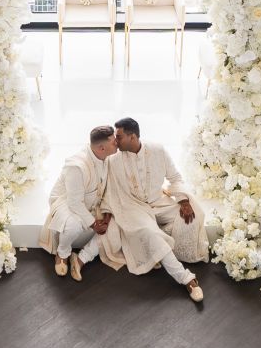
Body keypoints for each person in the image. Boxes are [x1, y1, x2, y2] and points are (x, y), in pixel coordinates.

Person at [75, 116, 205, 302]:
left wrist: (184, 201)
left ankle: (155, 251)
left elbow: (175, 177)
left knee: (192, 217)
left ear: (133, 137)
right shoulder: (113, 160)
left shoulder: (158, 150)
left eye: (119, 137)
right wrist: (108, 214)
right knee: (150, 233)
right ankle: (187, 279)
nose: (115, 141)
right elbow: (109, 190)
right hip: (133, 206)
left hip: (158, 201)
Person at [37, 125, 116, 279]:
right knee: (74, 225)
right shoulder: (77, 166)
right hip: (66, 201)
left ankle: (81, 258)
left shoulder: (106, 156)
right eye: (113, 142)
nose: (116, 143)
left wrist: (107, 214)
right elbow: (74, 203)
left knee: (115, 223)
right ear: (101, 148)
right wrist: (94, 224)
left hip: (93, 201)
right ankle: (62, 253)